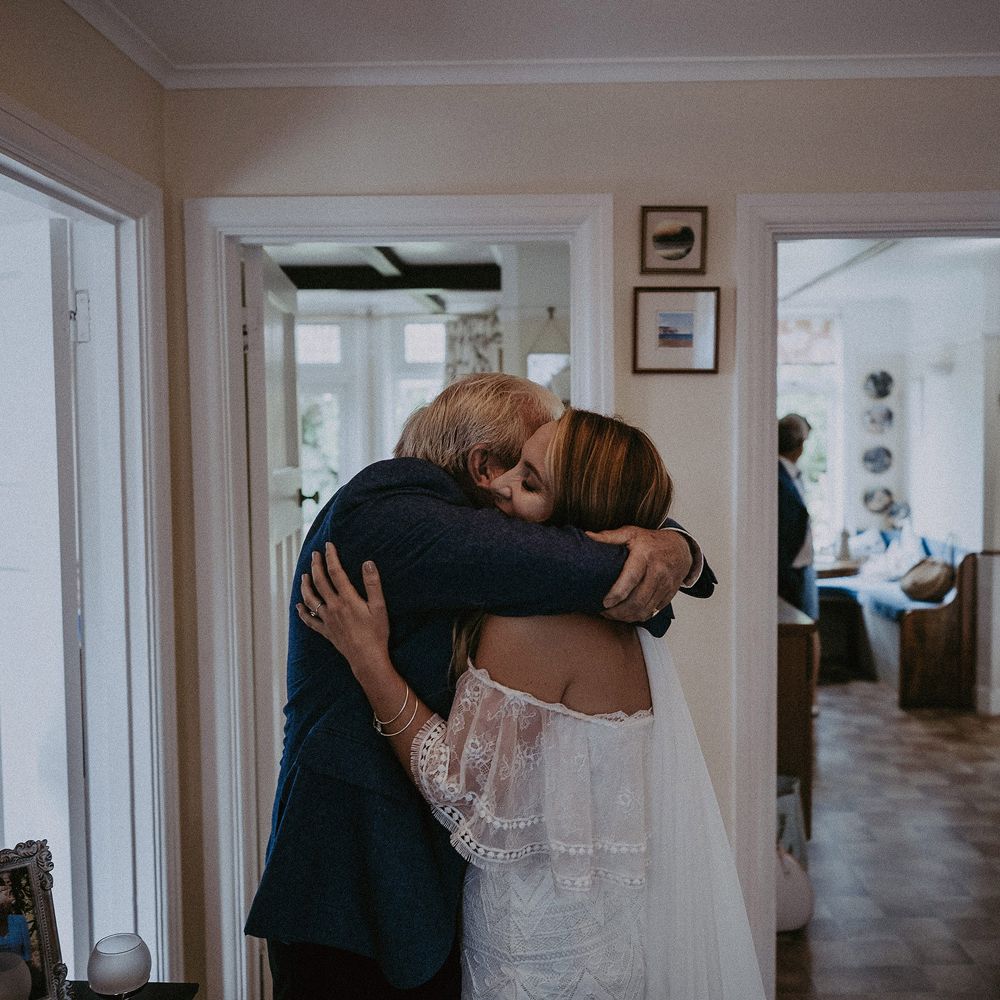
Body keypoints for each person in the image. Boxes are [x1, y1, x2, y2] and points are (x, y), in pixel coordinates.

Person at [245, 373, 716, 999]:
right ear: (484, 464)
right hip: (350, 882)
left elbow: (634, 592)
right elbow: (603, 569)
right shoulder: (383, 510)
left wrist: (679, 550)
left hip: (438, 883)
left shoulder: (499, 569)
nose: (509, 486)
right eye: (523, 464)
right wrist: (671, 552)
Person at [778, 413, 818, 620]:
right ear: (800, 445)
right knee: (802, 628)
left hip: (799, 570)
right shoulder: (777, 476)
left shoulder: (790, 475)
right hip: (790, 573)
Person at [0, 872, 31, 963]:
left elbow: (27, 955)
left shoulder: (19, 920)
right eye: (5, 882)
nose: (7, 884)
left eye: (9, 882)